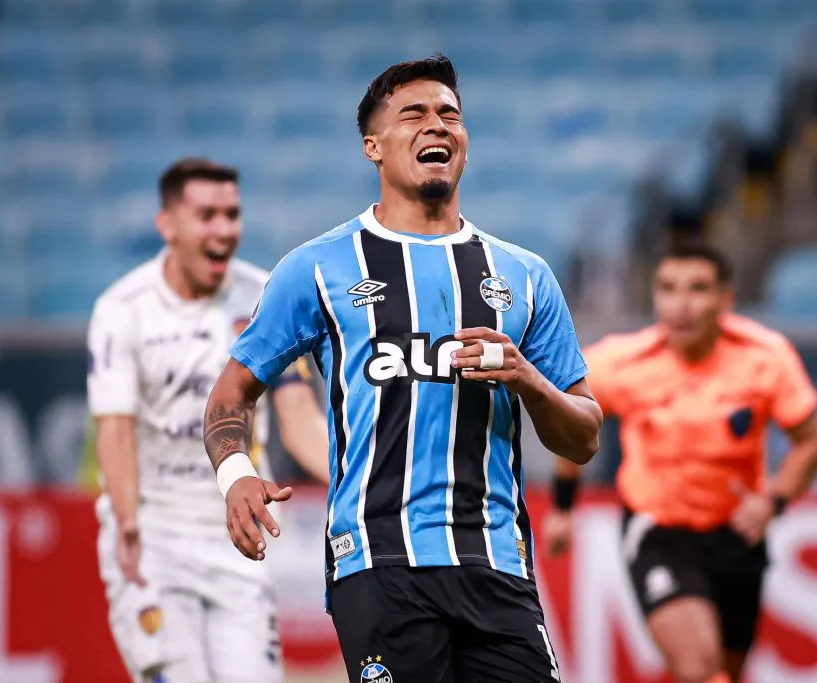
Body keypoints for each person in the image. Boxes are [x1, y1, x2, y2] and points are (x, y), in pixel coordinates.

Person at [202, 54, 603, 683]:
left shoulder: (524, 275)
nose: (437, 126)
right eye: (413, 114)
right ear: (374, 148)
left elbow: (584, 434)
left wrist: (528, 379)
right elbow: (231, 392)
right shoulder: (316, 268)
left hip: (498, 560)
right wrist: (235, 475)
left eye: (450, 115)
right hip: (378, 561)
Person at [87, 158, 330, 683]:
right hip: (155, 528)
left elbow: (297, 414)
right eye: (207, 215)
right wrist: (128, 522)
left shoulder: (263, 295)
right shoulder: (123, 309)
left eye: (232, 214)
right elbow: (115, 429)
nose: (223, 230)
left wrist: (358, 475)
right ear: (168, 225)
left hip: (238, 530)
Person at [543, 240, 817, 683]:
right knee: (699, 668)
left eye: (698, 289)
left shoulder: (766, 357)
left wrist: (773, 501)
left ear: (726, 299)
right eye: (668, 289)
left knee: (725, 672)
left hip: (737, 535)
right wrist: (563, 507)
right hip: (658, 531)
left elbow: (810, 445)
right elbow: (571, 425)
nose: (681, 305)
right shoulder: (621, 361)